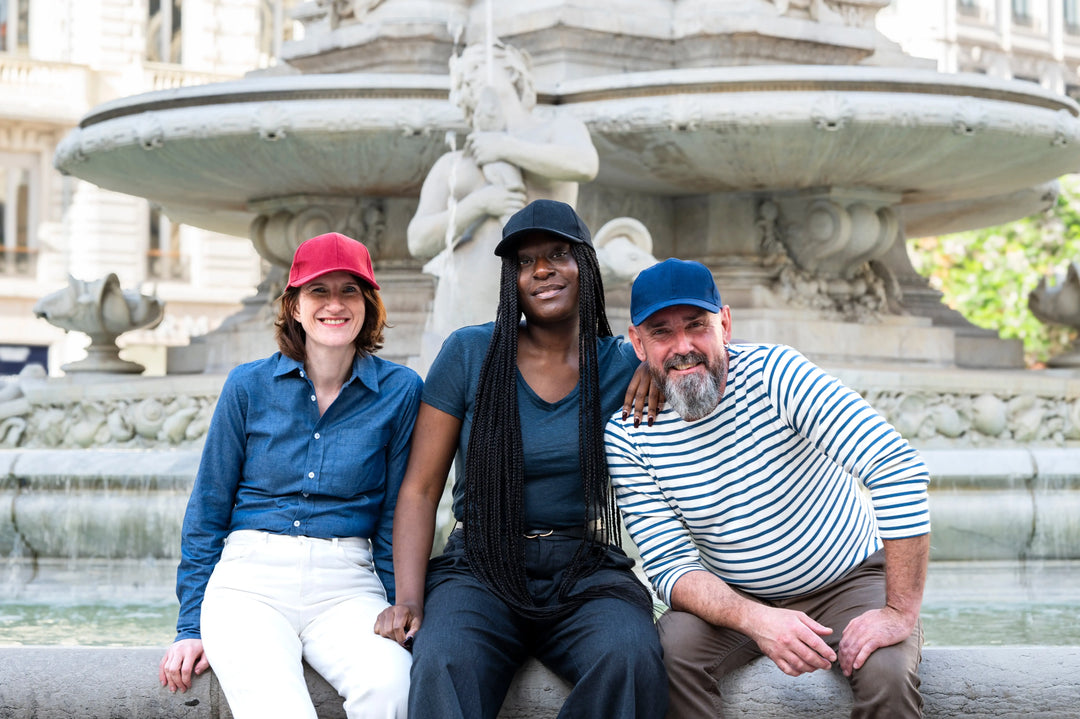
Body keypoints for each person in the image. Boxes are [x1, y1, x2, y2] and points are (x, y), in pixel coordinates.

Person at [375, 199, 668, 719]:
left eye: (558, 253)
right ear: (511, 279)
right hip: (480, 565)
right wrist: (410, 599)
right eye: (524, 261)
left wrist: (657, 367)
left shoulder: (621, 363)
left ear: (588, 266)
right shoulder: (469, 354)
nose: (542, 270)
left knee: (629, 656)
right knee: (443, 661)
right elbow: (421, 490)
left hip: (585, 569)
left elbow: (700, 360)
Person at [605, 258, 931, 719]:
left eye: (697, 326)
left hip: (848, 581)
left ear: (726, 324)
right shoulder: (627, 435)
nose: (683, 347)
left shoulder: (777, 373)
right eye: (661, 333)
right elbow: (670, 567)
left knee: (887, 675)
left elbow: (896, 466)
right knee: (667, 651)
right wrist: (757, 619)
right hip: (733, 600)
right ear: (638, 343)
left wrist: (899, 611)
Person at [158, 232, 421, 719]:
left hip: (347, 586)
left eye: (349, 291)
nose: (334, 304)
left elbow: (395, 515)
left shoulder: (401, 391)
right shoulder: (248, 385)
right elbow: (208, 509)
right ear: (294, 307)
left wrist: (399, 605)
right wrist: (190, 626)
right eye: (318, 291)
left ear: (368, 305)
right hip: (248, 583)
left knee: (392, 686)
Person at [407, 41, 599, 365]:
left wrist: (505, 147)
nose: (471, 82)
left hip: (544, 299)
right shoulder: (454, 163)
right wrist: (479, 204)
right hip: (462, 309)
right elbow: (418, 240)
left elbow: (584, 164)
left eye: (479, 68)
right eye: (464, 80)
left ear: (513, 70)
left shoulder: (556, 128)